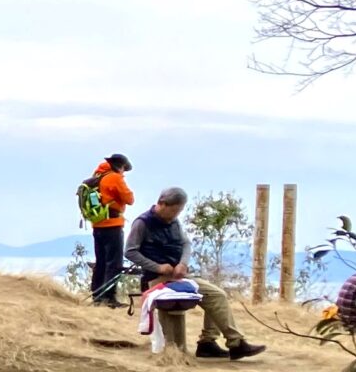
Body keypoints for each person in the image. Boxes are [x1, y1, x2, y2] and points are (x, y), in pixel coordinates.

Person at [127, 186, 266, 359]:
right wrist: (157, 267)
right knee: (175, 304)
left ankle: (214, 342)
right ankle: (231, 344)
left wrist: (183, 263)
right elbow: (130, 251)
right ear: (162, 204)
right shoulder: (143, 223)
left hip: (179, 276)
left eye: (179, 211)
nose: (176, 215)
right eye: (174, 210)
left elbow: (186, 244)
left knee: (216, 295)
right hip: (157, 279)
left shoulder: (174, 222)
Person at [81, 153, 134, 303]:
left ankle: (97, 295)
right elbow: (129, 199)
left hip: (97, 224)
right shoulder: (114, 178)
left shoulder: (97, 177)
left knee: (101, 261)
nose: (124, 172)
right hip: (113, 224)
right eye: (124, 169)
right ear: (120, 166)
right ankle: (109, 297)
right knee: (114, 263)